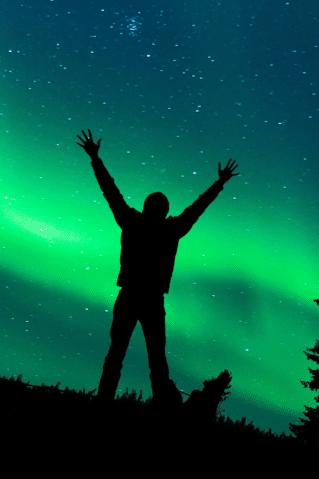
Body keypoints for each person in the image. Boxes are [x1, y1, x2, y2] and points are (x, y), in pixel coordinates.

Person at [76, 129, 238, 405]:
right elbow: (196, 209)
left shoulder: (133, 221)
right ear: (163, 211)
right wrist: (219, 183)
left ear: (146, 207)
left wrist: (95, 158)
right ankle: (163, 410)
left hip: (131, 295)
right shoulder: (169, 229)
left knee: (118, 355)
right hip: (150, 299)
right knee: (156, 361)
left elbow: (110, 192)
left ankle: (104, 404)